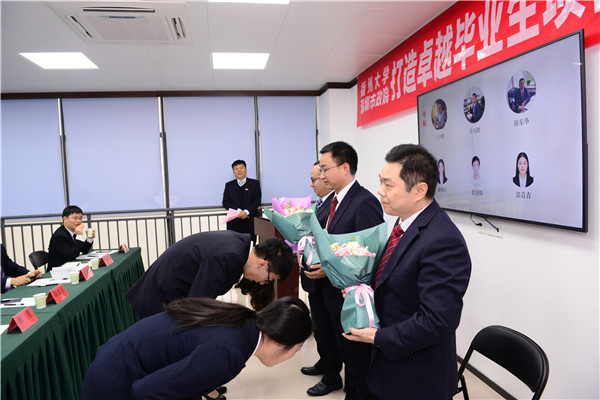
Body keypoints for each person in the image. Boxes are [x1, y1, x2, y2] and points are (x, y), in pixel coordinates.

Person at [343, 144, 471, 399]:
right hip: (386, 364)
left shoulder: (443, 241)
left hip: (415, 375)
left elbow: (437, 322)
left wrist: (378, 337)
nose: (380, 191)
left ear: (419, 190)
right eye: (381, 182)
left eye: (388, 185)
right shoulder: (404, 222)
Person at [81, 296, 312, 400]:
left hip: (116, 364)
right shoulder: (228, 354)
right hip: (114, 384)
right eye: (298, 348)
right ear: (283, 341)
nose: (294, 355)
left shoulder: (243, 322)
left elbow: (186, 383)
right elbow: (146, 392)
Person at [303, 141, 384, 398]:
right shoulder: (335, 201)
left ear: (345, 168)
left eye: (325, 169)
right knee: (343, 349)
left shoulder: (364, 202)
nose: (322, 175)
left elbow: (368, 254)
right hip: (331, 293)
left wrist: (329, 269)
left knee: (356, 359)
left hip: (350, 297)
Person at [126, 231, 293, 319]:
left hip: (167, 292)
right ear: (262, 264)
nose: (263, 283)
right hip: (159, 296)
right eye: (269, 280)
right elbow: (196, 305)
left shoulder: (240, 246)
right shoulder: (229, 257)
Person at [298, 162, 335, 380]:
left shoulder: (335, 204)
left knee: (328, 328)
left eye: (314, 180)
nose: (311, 184)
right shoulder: (320, 203)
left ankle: (332, 373)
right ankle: (325, 360)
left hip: (327, 277)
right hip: (314, 277)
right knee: (319, 326)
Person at [222, 160, 262, 242]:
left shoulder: (254, 183)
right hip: (234, 221)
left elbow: (257, 200)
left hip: (250, 220)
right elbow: (225, 202)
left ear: (246, 169)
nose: (239, 170)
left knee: (250, 244)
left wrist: (246, 212)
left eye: (241, 168)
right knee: (234, 244)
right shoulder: (229, 185)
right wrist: (238, 212)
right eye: (236, 169)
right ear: (233, 172)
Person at [48, 205, 95, 271]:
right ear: (65, 219)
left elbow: (83, 250)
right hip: (58, 270)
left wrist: (89, 238)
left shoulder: (72, 232)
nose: (78, 221)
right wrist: (80, 236)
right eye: (75, 218)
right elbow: (72, 255)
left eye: (80, 218)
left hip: (70, 267)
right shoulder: (59, 236)